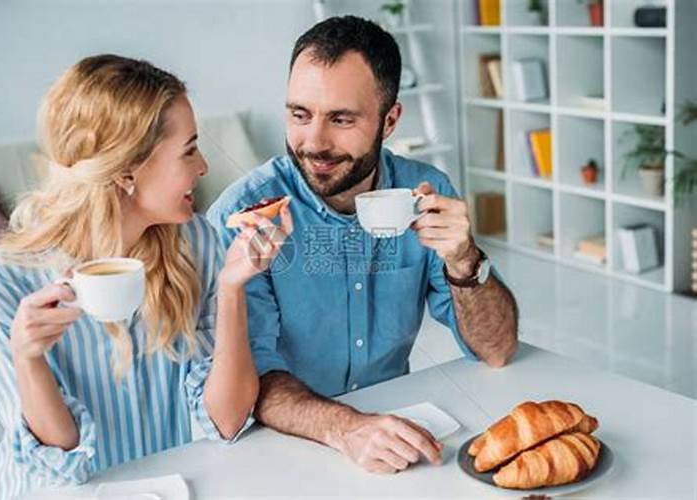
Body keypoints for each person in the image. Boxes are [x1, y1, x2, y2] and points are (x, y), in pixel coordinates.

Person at [0, 54, 291, 499]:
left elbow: (228, 419)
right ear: (126, 171)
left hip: (174, 485)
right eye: (189, 149)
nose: (203, 167)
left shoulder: (194, 242)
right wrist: (29, 358)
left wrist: (233, 287)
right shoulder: (2, 281)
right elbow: (60, 459)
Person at [207, 16, 518, 474]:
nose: (314, 142)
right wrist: (346, 427)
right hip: (277, 447)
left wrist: (464, 259)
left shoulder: (426, 191)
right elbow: (251, 381)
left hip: (389, 437)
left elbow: (497, 349)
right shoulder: (245, 215)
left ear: (389, 120)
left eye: (341, 119)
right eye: (300, 114)